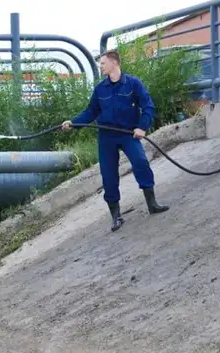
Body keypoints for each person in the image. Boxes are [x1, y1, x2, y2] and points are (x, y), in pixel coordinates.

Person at [62, 50, 169, 232]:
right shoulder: (100, 89)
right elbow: (91, 112)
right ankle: (116, 216)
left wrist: (142, 126)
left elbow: (148, 106)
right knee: (109, 175)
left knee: (140, 162)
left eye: (103, 63)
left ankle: (152, 203)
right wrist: (73, 123)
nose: (101, 66)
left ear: (114, 63)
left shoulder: (133, 84)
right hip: (107, 137)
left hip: (128, 134)